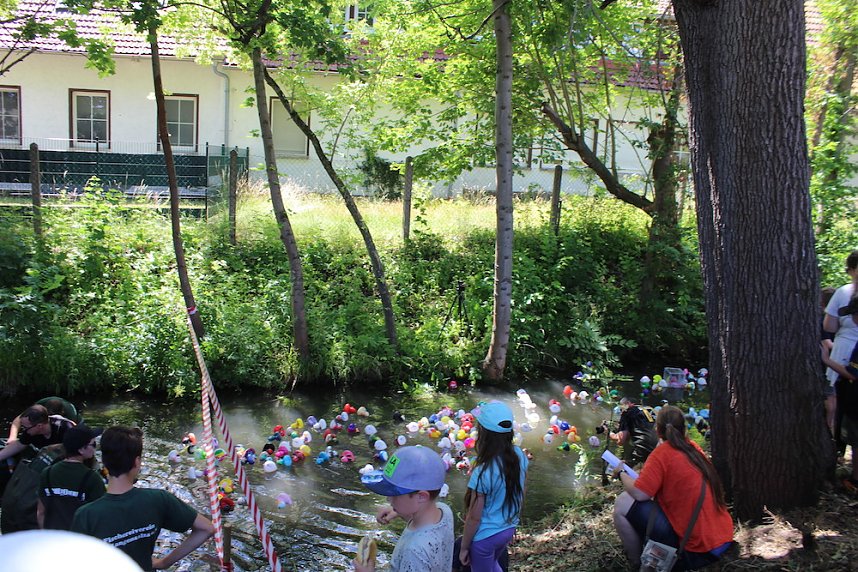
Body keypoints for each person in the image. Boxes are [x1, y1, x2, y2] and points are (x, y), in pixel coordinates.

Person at [71, 426, 214, 570]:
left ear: (104, 461)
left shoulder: (85, 515)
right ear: (137, 462)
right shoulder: (158, 499)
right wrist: (164, 563)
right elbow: (206, 528)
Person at [613, 406, 733, 570]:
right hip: (723, 538)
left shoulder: (662, 453)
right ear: (684, 428)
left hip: (697, 550)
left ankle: (635, 563)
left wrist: (621, 472)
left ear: (658, 430)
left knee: (623, 503)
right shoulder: (693, 448)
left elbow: (640, 494)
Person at [356, 445, 454, 572]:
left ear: (421, 497)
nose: (388, 499)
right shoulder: (444, 511)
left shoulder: (414, 552)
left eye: (395, 494)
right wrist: (396, 511)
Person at [459, 401, 528, 572]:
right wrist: (513, 522)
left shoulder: (482, 472)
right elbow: (521, 491)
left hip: (485, 538)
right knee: (492, 565)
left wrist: (464, 547)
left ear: (483, 434)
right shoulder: (520, 455)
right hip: (507, 529)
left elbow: (474, 518)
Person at [38, 424, 105, 530]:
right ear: (82, 449)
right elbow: (100, 517)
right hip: (78, 540)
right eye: (93, 444)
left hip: (52, 538)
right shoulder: (92, 478)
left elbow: (41, 513)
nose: (95, 448)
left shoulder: (46, 473)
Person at [0, 404, 76, 464]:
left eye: (26, 427)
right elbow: (18, 445)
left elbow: (77, 448)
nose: (24, 430)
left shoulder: (65, 428)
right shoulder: (31, 432)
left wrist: (53, 448)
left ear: (39, 426)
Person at [610, 397, 658, 468]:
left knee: (620, 468)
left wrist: (609, 432)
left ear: (628, 404)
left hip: (642, 453)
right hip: (660, 450)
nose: (621, 410)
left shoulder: (627, 412)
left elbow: (620, 440)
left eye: (621, 407)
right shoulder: (650, 409)